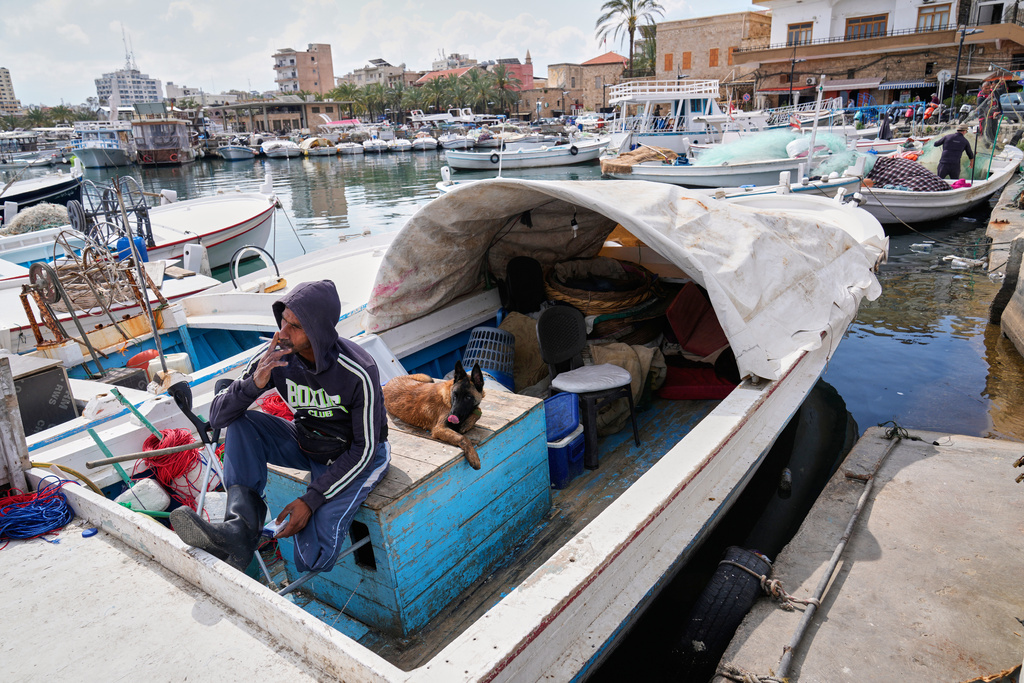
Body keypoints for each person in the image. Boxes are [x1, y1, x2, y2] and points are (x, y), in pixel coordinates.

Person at [170, 280, 391, 574]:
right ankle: (239, 530)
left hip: (356, 455)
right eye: (282, 320)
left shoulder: (358, 372)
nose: (282, 333)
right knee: (241, 422)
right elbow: (219, 416)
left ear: (318, 332)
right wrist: (254, 384)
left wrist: (310, 500)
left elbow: (365, 449)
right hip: (308, 442)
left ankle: (249, 544)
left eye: (295, 326)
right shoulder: (274, 355)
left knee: (314, 553)